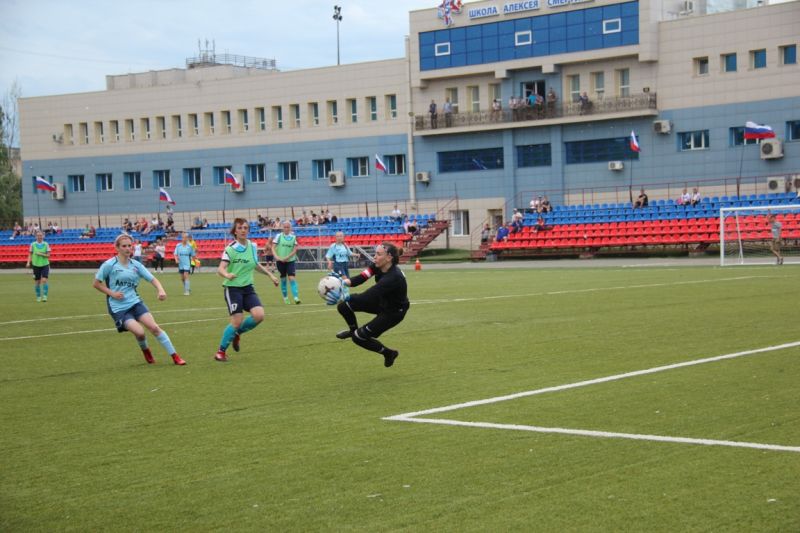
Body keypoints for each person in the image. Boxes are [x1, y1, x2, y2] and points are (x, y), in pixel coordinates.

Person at [92, 234, 186, 366]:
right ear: (117, 248)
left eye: (129, 246)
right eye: (124, 246)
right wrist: (112, 293)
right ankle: (146, 351)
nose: (127, 248)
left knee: (154, 328)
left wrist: (160, 290)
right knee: (140, 333)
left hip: (135, 303)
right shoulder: (109, 265)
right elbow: (96, 283)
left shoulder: (136, 265)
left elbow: (153, 279)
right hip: (118, 308)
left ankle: (175, 356)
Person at [215, 218, 279, 362]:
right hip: (233, 288)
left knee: (259, 315)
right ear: (235, 231)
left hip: (248, 288)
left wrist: (270, 275)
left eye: (245, 227)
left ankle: (237, 333)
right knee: (236, 321)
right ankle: (220, 351)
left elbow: (255, 264)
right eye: (240, 228)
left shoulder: (252, 246)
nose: (243, 230)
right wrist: (227, 275)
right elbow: (220, 268)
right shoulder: (230, 248)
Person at [335, 242, 409, 368]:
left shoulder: (393, 277)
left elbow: (369, 295)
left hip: (393, 312)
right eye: (375, 253)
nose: (374, 257)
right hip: (382, 302)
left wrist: (343, 295)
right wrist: (343, 282)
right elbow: (362, 277)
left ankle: (389, 353)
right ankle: (352, 331)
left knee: (358, 338)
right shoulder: (378, 265)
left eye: (378, 254)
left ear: (389, 258)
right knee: (344, 306)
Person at [272, 220, 301, 304]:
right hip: (280, 261)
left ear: (290, 228)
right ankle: (285, 298)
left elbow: (295, 250)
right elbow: (273, 247)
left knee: (292, 278)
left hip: (290, 261)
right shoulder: (279, 236)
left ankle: (296, 298)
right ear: (282, 228)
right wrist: (277, 257)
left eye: (288, 227)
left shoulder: (294, 237)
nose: (286, 228)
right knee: (283, 279)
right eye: (285, 227)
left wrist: (287, 257)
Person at [26, 230, 51, 302]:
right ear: (36, 236)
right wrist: (28, 262)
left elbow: (48, 255)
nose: (39, 237)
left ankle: (45, 296)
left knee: (44, 280)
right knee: (37, 282)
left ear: (43, 236)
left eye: (41, 235)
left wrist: (41, 254)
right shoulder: (32, 244)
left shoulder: (46, 244)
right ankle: (38, 296)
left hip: (45, 264)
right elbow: (30, 254)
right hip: (36, 265)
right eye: (38, 235)